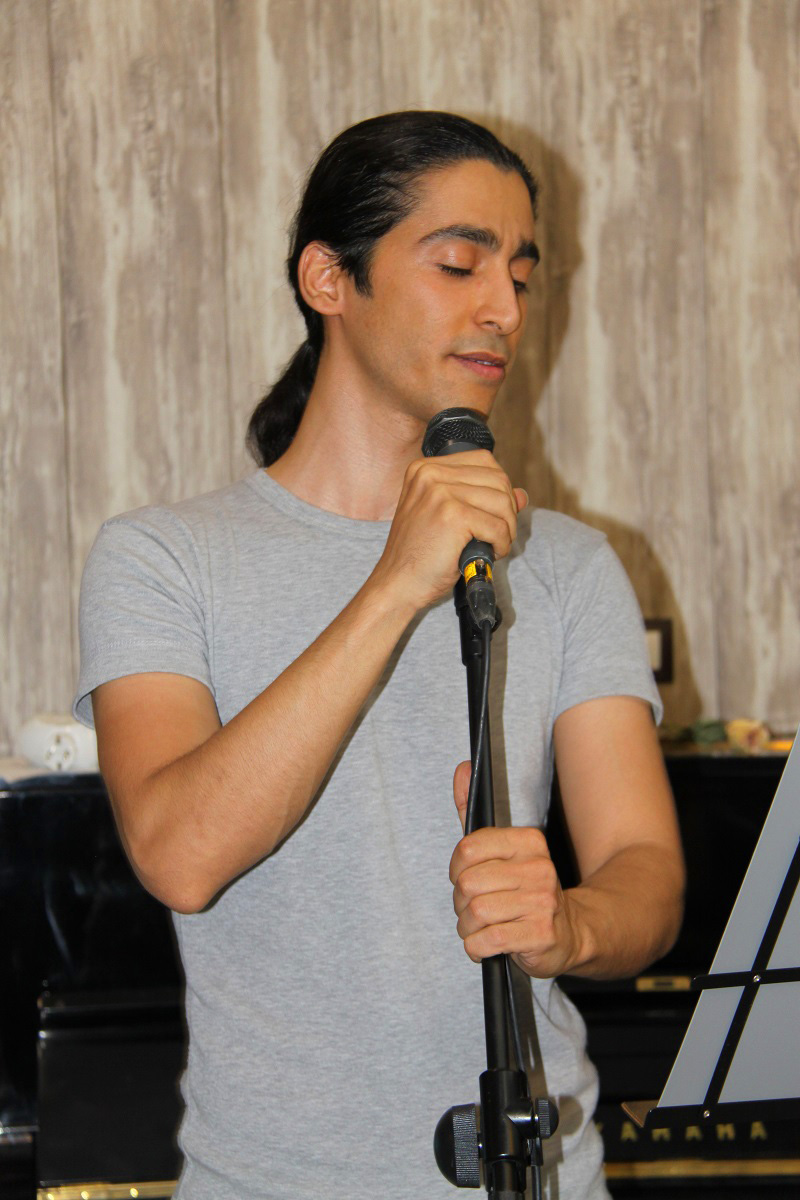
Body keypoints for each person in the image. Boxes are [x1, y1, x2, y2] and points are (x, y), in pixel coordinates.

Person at [74, 111, 684, 1200]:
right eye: (458, 264)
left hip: (542, 1176)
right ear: (328, 279)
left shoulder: (571, 564)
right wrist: (398, 578)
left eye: (520, 275)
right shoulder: (163, 558)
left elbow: (646, 870)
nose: (503, 309)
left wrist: (569, 924)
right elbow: (180, 853)